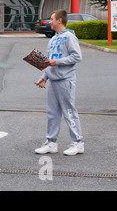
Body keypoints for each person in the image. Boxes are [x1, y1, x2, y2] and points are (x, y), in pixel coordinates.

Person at [35, 9, 84, 156]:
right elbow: (49, 62)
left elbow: (77, 57)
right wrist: (45, 77)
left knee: (69, 112)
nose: (49, 22)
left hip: (65, 80)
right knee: (52, 113)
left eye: (52, 19)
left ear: (59, 21)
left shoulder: (69, 37)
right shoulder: (53, 39)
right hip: (54, 81)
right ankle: (51, 143)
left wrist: (57, 62)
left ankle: (78, 143)